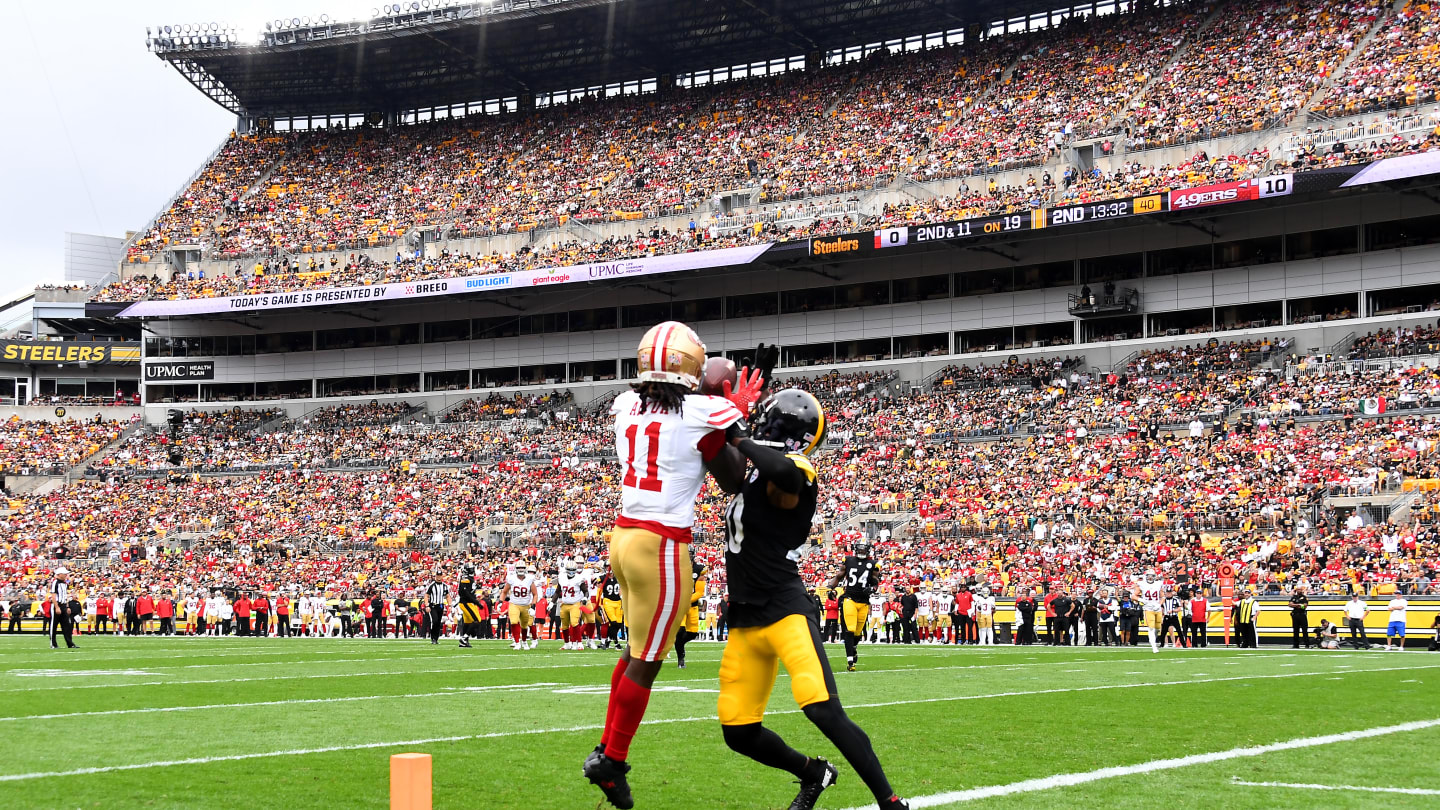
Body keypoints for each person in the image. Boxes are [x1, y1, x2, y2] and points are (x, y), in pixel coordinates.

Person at [583, 323, 756, 810]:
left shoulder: (623, 405)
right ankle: (612, 759)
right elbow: (734, 476)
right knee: (648, 659)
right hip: (661, 542)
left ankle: (606, 749)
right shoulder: (707, 410)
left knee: (635, 651)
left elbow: (683, 418)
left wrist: (719, 405)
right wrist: (734, 403)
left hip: (622, 535)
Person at [714, 388, 910, 810]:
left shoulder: (796, 468)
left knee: (823, 710)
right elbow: (720, 460)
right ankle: (813, 773)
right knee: (739, 732)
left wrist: (739, 436)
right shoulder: (754, 471)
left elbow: (781, 474)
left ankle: (891, 802)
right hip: (746, 618)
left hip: (785, 609)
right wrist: (716, 413)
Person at [559, 559, 593, 651]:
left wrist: (585, 598)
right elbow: (558, 591)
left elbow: (586, 591)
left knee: (574, 623)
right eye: (569, 570)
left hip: (575, 603)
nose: (570, 572)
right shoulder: (562, 578)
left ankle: (579, 642)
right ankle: (567, 643)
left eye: (572, 570)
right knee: (564, 626)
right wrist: (552, 602)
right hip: (564, 604)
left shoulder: (579, 579)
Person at [49, 568, 77, 649]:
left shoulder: (64, 583)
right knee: (54, 626)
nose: (66, 575)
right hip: (57, 605)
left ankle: (70, 643)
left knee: (67, 626)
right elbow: (53, 595)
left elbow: (65, 596)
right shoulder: (55, 582)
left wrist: (67, 606)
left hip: (64, 605)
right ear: (59, 574)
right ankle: (53, 644)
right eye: (64, 574)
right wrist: (57, 607)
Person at [1136, 574, 1165, 653]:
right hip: (1148, 608)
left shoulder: (1158, 584)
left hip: (1157, 608)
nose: (1150, 577)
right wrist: (1142, 600)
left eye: (1152, 576)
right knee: (1151, 627)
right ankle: (1154, 646)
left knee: (1158, 627)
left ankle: (1153, 640)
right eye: (1148, 576)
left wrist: (1159, 604)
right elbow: (1133, 596)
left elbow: (1163, 596)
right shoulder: (1142, 584)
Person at [456, 566, 483, 648]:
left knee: (468, 622)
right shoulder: (465, 578)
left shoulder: (469, 578)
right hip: (466, 602)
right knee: (476, 620)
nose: (472, 570)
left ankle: (464, 641)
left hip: (469, 602)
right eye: (471, 569)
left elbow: (469, 591)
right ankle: (464, 638)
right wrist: (476, 602)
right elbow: (465, 592)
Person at [425, 570, 447, 645]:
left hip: (440, 605)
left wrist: (450, 605)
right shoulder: (432, 585)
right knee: (435, 621)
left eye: (440, 575)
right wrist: (427, 605)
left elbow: (448, 596)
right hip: (433, 605)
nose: (438, 577)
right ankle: (433, 637)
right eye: (437, 575)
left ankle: (436, 638)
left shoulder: (444, 586)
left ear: (442, 576)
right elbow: (426, 595)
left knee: (438, 622)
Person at [1288, 585, 1311, 649]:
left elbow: (1305, 606)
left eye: (1300, 589)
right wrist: (1298, 605)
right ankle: (1296, 645)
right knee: (1295, 630)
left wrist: (1295, 605)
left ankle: (1307, 644)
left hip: (1302, 614)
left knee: (1304, 630)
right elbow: (1290, 604)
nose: (1299, 591)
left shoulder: (1304, 597)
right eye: (1298, 589)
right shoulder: (1294, 597)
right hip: (1295, 614)